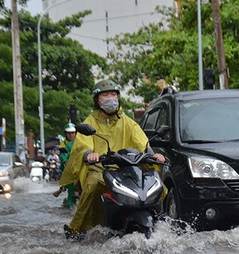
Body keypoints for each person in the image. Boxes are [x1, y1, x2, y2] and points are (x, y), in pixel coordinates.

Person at [60, 79, 165, 239]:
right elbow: (82, 145)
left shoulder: (128, 122)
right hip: (101, 169)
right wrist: (90, 154)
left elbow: (142, 142)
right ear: (97, 100)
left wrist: (153, 154)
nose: (110, 98)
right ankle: (77, 228)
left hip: (128, 168)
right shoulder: (90, 122)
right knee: (92, 185)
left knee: (157, 186)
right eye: (105, 95)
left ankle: (163, 223)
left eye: (113, 94)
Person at [54, 123, 79, 206]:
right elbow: (64, 157)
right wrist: (66, 162)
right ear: (65, 133)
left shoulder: (81, 141)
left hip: (81, 166)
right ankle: (70, 205)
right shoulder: (64, 144)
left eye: (73, 133)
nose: (71, 135)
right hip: (69, 168)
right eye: (69, 133)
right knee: (71, 187)